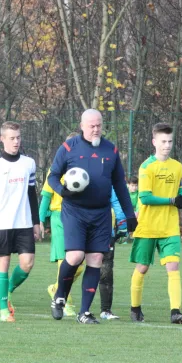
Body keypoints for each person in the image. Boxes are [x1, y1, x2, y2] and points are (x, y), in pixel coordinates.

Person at [47, 109, 136, 324]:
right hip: (74, 211)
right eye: (91, 126)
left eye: (99, 125)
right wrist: (63, 191)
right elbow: (52, 177)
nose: (95, 129)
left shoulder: (110, 150)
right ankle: (60, 295)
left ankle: (84, 312)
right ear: (82, 126)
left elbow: (120, 186)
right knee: (76, 256)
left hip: (101, 213)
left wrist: (129, 215)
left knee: (96, 259)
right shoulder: (69, 147)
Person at [0, 121, 41, 323]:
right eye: (12, 138)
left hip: (23, 222)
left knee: (27, 263)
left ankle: (8, 290)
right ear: (2, 139)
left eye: (18, 137)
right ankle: (4, 311)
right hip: (1, 223)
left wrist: (36, 222)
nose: (16, 142)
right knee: (2, 265)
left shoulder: (28, 163)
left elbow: (32, 193)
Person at [129, 123, 182, 324]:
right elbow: (145, 198)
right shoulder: (147, 167)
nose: (167, 145)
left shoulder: (177, 166)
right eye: (163, 141)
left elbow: (179, 191)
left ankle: (175, 312)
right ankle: (135, 308)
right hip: (147, 225)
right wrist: (171, 200)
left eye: (170, 141)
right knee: (143, 267)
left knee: (173, 266)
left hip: (170, 226)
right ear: (154, 142)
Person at [40, 133, 83, 317]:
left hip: (79, 217)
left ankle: (56, 288)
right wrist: (40, 220)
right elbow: (46, 197)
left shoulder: (84, 171)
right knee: (62, 261)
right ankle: (67, 303)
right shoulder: (55, 170)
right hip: (58, 217)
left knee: (79, 265)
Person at [99, 190, 127, 320]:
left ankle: (105, 310)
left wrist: (122, 225)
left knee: (105, 270)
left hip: (102, 232)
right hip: (87, 230)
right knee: (77, 267)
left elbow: (116, 202)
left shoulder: (108, 181)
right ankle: (61, 297)